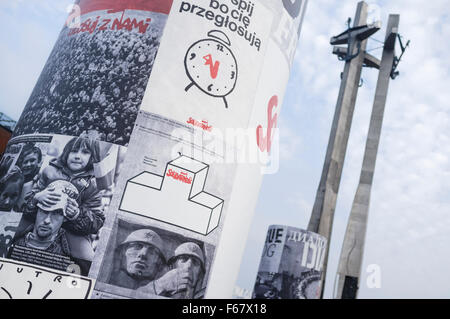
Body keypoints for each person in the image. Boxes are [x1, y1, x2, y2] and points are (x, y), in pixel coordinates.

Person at [23, 137, 103, 261]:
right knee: (13, 234)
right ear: (66, 152)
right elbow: (26, 203)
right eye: (74, 151)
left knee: (88, 258)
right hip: (40, 220)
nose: (77, 156)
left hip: (71, 230)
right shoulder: (49, 171)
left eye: (85, 152)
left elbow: (97, 221)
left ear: (92, 157)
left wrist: (77, 215)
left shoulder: (94, 184)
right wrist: (36, 198)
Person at [15, 143, 42, 210]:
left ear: (38, 160)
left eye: (32, 160)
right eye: (25, 162)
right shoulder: (16, 174)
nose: (28, 164)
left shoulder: (40, 175)